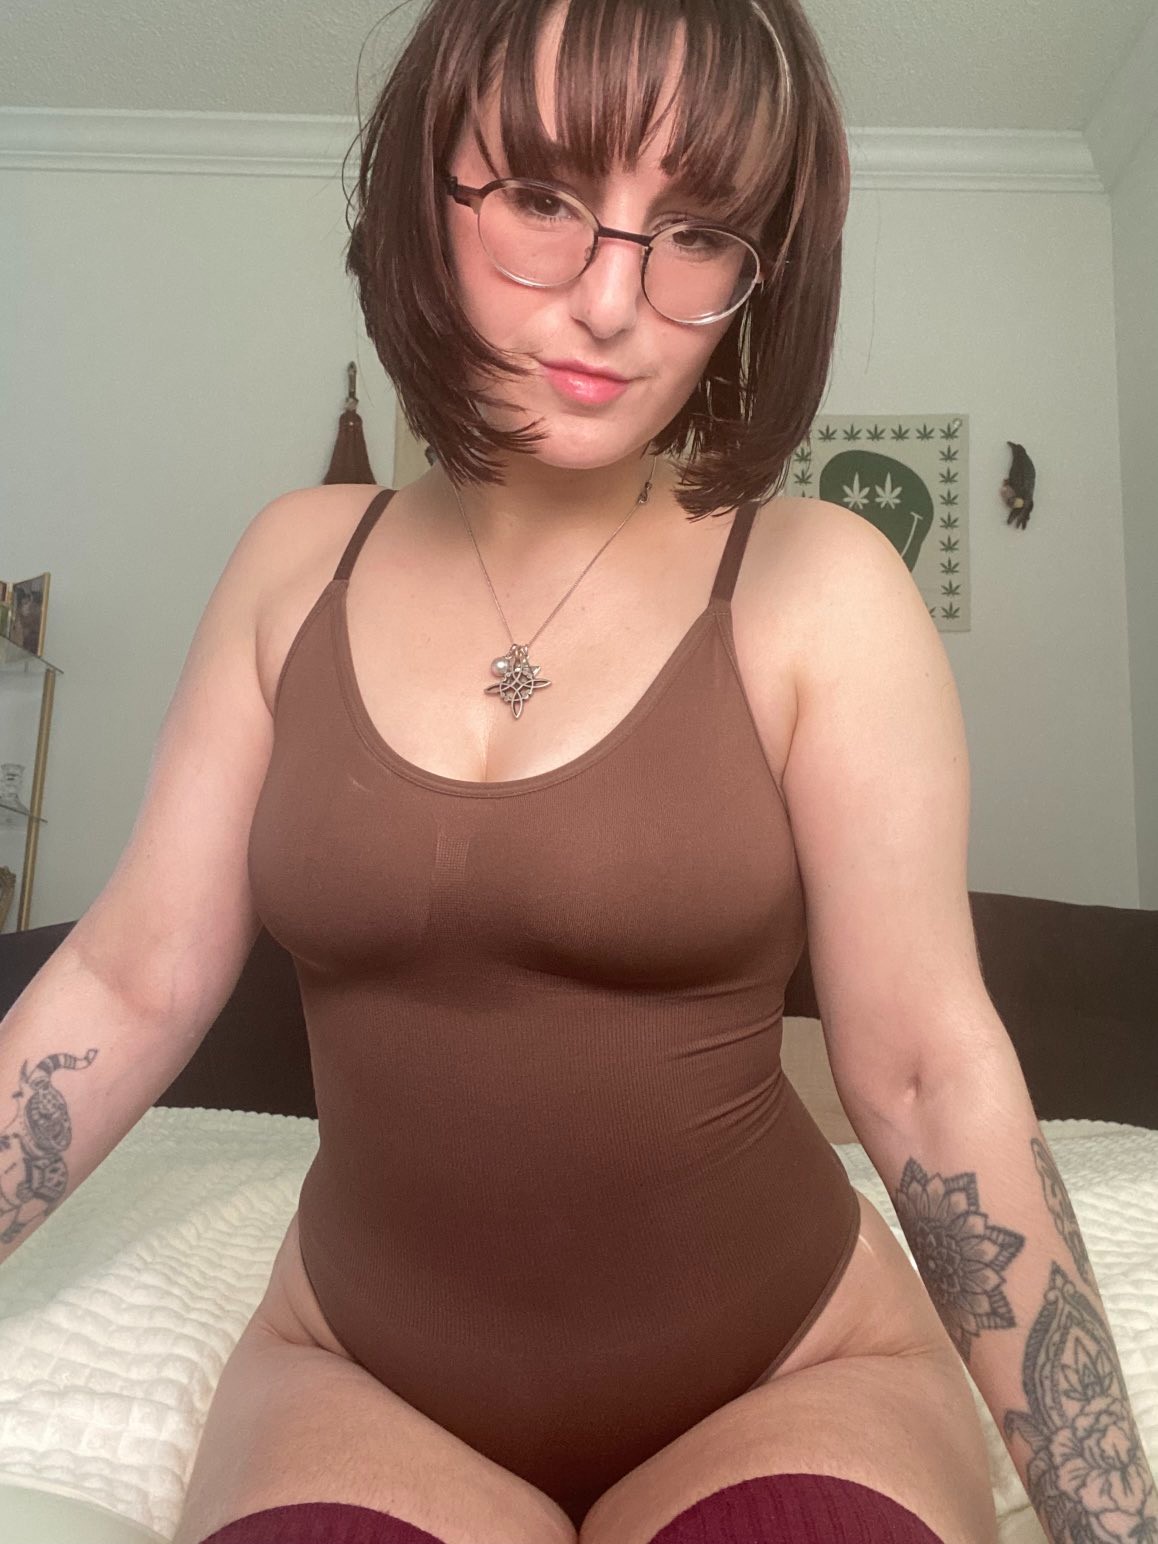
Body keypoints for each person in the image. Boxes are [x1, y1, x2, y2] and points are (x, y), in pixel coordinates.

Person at [43, 0, 1005, 1541]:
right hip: (361, 1382)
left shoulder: (819, 584)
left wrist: (1109, 1508)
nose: (613, 302)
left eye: (696, 233)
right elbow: (130, 978)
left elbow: (922, 1072)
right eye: (544, 200)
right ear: (425, 195)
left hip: (788, 1371)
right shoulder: (297, 562)